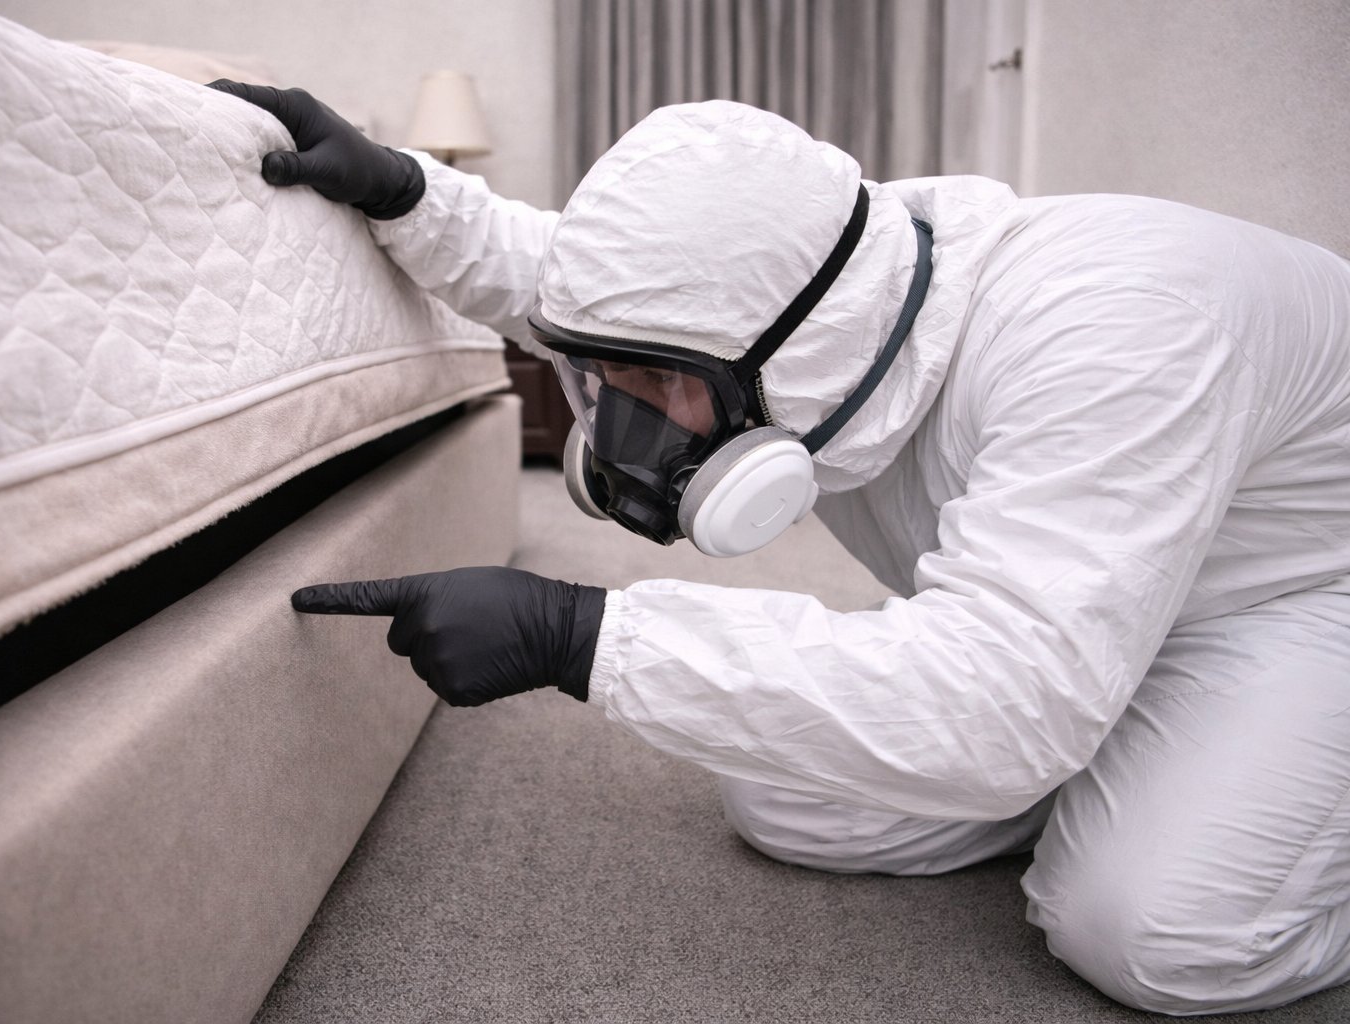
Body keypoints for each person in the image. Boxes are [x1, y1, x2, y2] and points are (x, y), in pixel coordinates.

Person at [208, 80, 1350, 1016]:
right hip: (1118, 590)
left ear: (795, 356)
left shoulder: (1117, 332)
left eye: (657, 390)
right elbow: (582, 285)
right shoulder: (829, 275)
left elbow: (1003, 702)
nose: (625, 417)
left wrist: (582, 634)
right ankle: (1135, 746)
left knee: (1150, 933)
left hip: (1297, 599)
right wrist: (407, 194)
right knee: (791, 798)